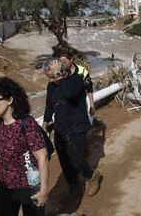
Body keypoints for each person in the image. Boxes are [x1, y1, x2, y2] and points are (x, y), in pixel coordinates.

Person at [0, 77, 48, 216]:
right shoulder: (0, 123)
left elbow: (42, 157)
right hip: (4, 186)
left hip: (29, 185)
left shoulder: (27, 123)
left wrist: (43, 191)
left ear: (9, 100)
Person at [42, 59, 100, 196]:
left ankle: (92, 175)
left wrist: (58, 76)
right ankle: (73, 184)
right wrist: (44, 126)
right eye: (48, 77)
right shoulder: (52, 85)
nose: (51, 80)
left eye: (52, 77)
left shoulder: (76, 80)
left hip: (77, 127)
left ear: (62, 72)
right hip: (61, 128)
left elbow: (69, 93)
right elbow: (49, 106)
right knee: (64, 161)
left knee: (76, 159)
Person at [58, 51, 95, 116]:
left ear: (71, 59)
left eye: (64, 62)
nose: (63, 65)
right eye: (61, 63)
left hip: (81, 105)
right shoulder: (61, 73)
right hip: (66, 106)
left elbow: (89, 88)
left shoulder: (82, 71)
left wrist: (92, 105)